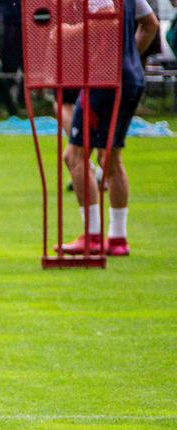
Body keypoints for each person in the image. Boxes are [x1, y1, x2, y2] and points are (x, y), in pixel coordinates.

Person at [60, 0, 158, 256]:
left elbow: (107, 19)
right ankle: (117, 238)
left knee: (74, 156)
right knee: (110, 157)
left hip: (101, 80)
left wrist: (68, 32)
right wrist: (129, 59)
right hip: (131, 78)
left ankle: (92, 236)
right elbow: (150, 24)